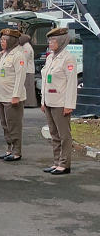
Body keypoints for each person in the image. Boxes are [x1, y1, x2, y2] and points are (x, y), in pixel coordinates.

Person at [40, 27, 78, 175]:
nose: (50, 43)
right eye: (49, 40)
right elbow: (45, 81)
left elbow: (71, 84)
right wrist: (43, 101)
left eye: (53, 40)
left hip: (61, 102)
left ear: (62, 40)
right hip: (49, 101)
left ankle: (65, 163)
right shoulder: (51, 57)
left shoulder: (68, 58)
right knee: (54, 134)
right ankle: (56, 162)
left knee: (64, 135)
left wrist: (69, 105)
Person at [0, 28, 27, 162]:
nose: (2, 42)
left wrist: (16, 96)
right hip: (2, 96)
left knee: (14, 124)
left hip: (12, 97)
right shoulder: (5, 55)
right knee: (5, 124)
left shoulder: (18, 56)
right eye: (1, 39)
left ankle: (17, 151)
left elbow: (20, 77)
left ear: (12, 41)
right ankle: (9, 149)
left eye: (5, 40)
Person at [19, 34, 38, 108]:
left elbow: (24, 57)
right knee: (26, 87)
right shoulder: (24, 46)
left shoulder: (27, 47)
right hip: (26, 70)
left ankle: (30, 103)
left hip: (28, 70)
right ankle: (27, 102)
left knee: (29, 87)